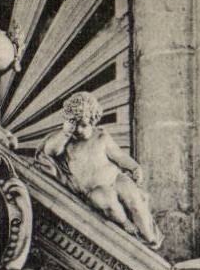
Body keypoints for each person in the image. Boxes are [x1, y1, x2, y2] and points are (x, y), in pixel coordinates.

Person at [37, 91, 161, 248]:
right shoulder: (66, 144)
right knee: (108, 203)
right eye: (75, 126)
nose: (79, 130)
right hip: (94, 189)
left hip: (115, 178)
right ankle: (127, 225)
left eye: (83, 125)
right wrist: (66, 132)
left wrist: (134, 167)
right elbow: (49, 151)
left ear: (93, 121)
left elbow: (119, 156)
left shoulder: (101, 136)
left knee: (134, 199)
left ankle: (149, 238)